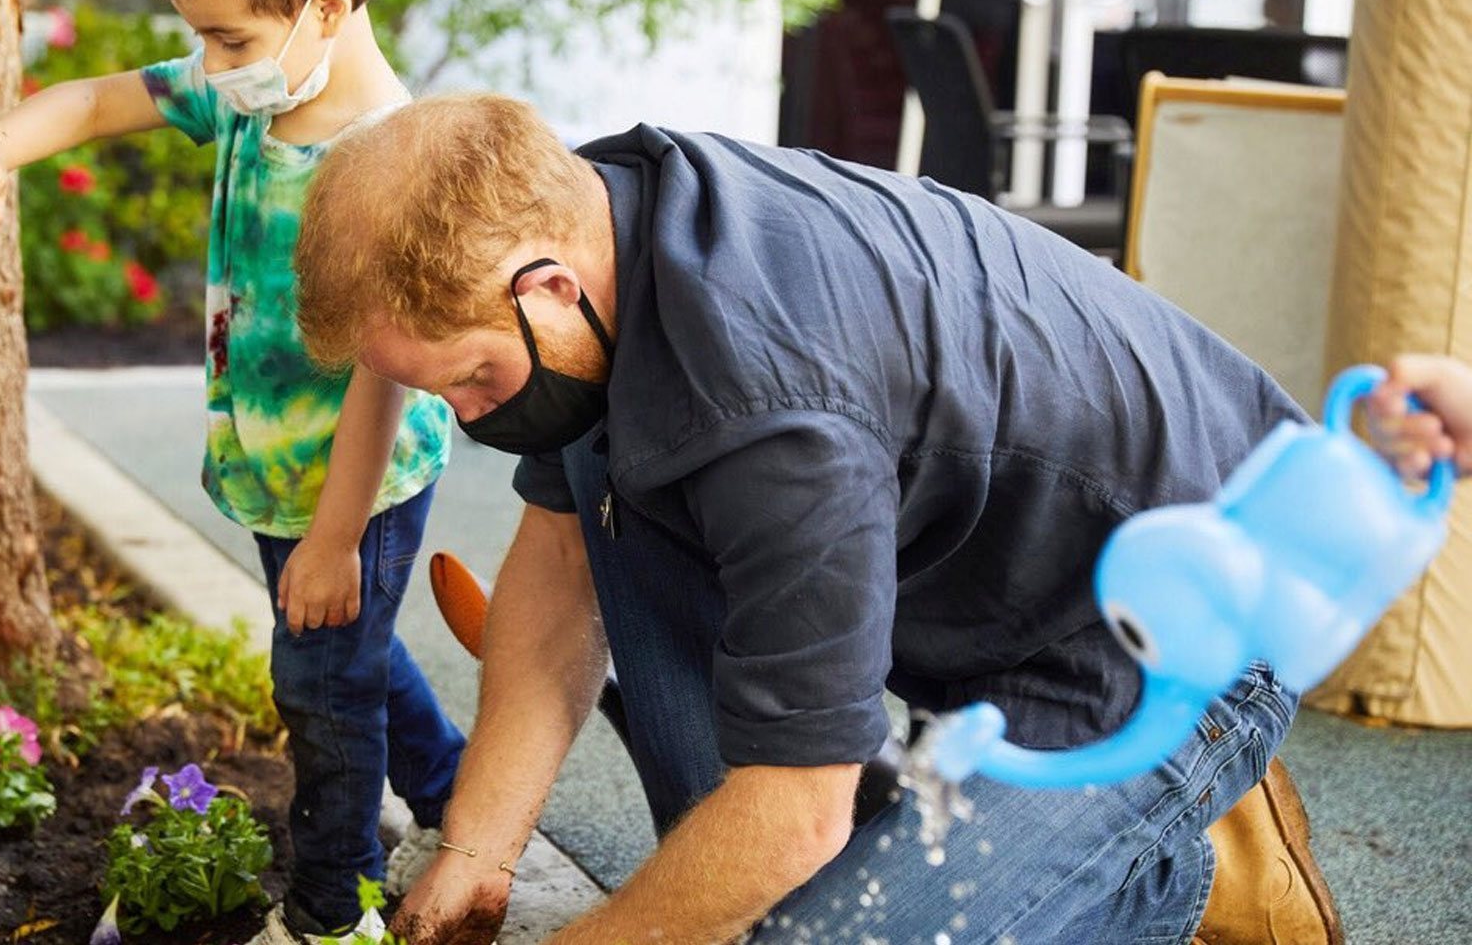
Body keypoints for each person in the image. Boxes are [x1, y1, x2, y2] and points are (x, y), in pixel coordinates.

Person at [289, 92, 1333, 944]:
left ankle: (1171, 877)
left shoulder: (769, 397)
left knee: (813, 928)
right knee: (733, 888)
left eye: (471, 378)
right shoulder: (601, 227)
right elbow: (561, 557)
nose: (470, 417)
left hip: (1180, 631)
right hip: (999, 587)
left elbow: (796, 807)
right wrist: (474, 850)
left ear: (550, 286)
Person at [0, 0, 463, 940]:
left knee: (321, 682)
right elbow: (88, 104)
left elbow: (383, 377)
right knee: (348, 649)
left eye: (228, 39)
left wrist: (336, 536)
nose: (208, 63)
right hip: (271, 467)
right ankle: (451, 787)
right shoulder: (250, 95)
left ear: (327, 8)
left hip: (357, 483)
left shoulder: (391, 162)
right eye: (201, 37)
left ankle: (332, 911)